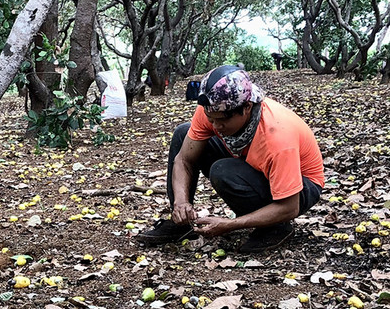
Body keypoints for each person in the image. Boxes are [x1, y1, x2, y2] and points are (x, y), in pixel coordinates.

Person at [136, 65, 324, 254]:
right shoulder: (213, 108)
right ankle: (180, 223)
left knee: (223, 171)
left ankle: (276, 227)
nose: (216, 126)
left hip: (301, 187)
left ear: (247, 107)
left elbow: (290, 207)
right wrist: (181, 203)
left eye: (222, 120)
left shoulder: (277, 137)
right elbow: (184, 160)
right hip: (255, 165)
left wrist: (231, 225)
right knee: (183, 133)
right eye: (211, 119)